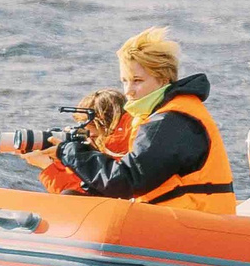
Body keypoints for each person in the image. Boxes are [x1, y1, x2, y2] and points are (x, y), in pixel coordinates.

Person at [45, 27, 235, 212]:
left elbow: (126, 181)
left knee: (75, 202)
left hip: (195, 224)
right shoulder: (165, 114)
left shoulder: (171, 121)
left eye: (137, 81)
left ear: (162, 79)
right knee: (73, 198)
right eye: (124, 80)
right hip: (180, 217)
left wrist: (70, 151)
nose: (128, 90)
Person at [32, 88, 131, 195]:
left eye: (86, 125)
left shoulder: (117, 150)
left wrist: (49, 167)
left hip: (127, 207)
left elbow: (83, 197)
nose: (85, 134)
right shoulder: (131, 139)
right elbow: (82, 189)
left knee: (68, 195)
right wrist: (56, 163)